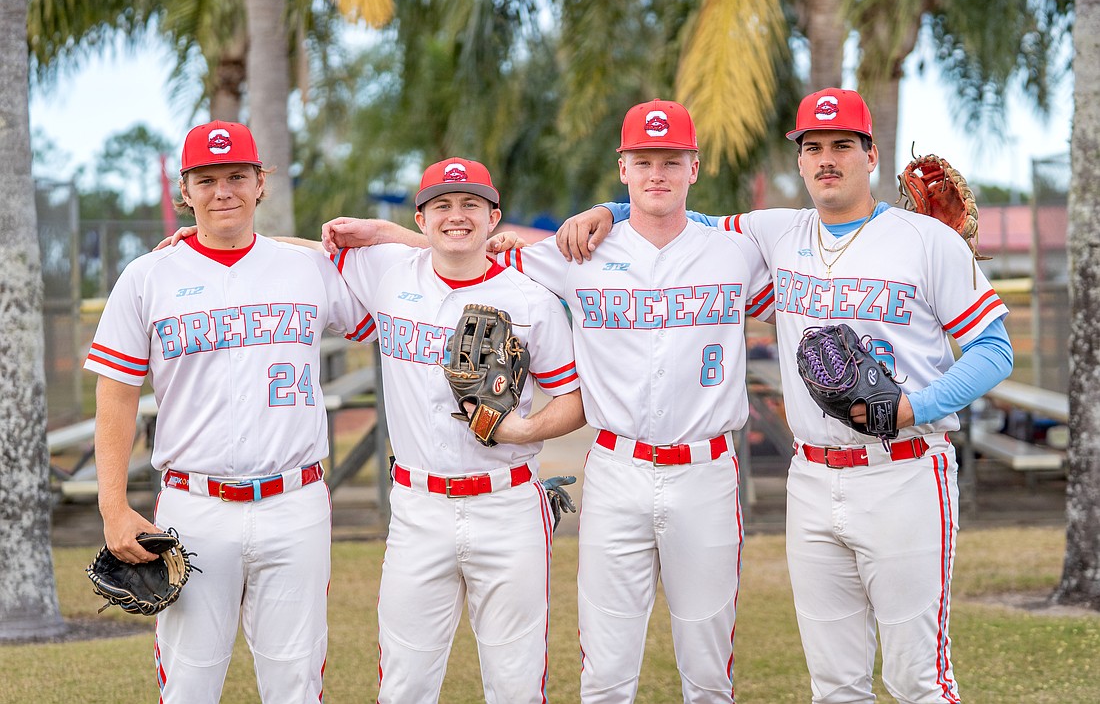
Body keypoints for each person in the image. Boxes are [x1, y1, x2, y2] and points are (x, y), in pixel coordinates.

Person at [556, 88, 1015, 703]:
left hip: (903, 467)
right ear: (799, 160)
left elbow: (994, 350)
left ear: (870, 154)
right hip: (812, 479)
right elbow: (674, 217)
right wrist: (608, 211)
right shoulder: (774, 234)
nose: (827, 159)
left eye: (842, 146)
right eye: (814, 147)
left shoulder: (927, 240)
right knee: (834, 685)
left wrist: (913, 408)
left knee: (919, 682)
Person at [325, 102, 776, 703]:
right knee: (604, 672)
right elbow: (467, 255)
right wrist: (383, 233)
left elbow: (816, 279)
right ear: (623, 168)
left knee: (709, 668)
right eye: (644, 161)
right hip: (617, 467)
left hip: (708, 470)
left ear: (695, 166)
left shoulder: (735, 248)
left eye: (671, 161)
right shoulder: (575, 253)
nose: (657, 174)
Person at [85, 120, 375, 703]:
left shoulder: (309, 269)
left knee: (295, 682)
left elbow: (422, 278)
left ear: (261, 182)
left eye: (238, 176)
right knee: (190, 684)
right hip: (195, 508)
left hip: (295, 505)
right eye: (208, 179)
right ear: (185, 191)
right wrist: (113, 506)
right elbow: (116, 393)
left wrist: (303, 246)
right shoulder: (147, 276)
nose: (224, 191)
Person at [327, 157, 585, 703]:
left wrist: (521, 430)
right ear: (420, 220)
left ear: (495, 217)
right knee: (404, 684)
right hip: (418, 505)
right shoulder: (390, 275)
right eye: (441, 205)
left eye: (471, 204)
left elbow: (575, 399)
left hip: (508, 502)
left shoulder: (531, 299)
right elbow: (295, 257)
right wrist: (201, 237)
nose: (456, 216)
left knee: (516, 683)